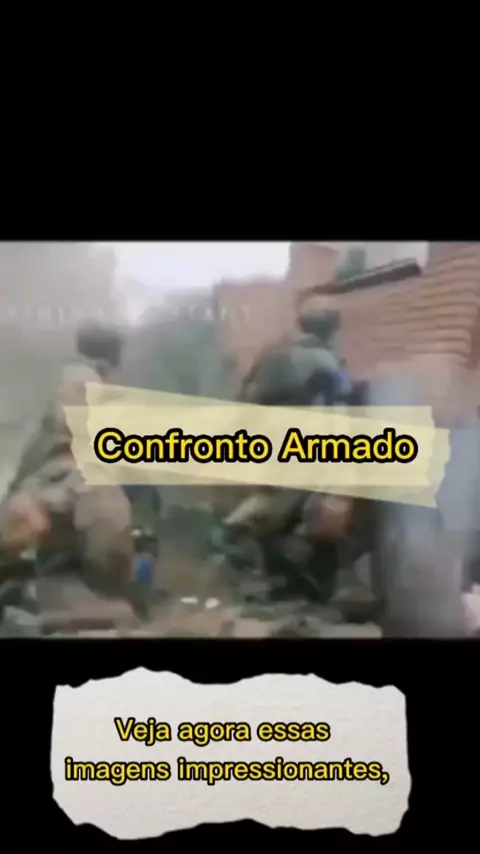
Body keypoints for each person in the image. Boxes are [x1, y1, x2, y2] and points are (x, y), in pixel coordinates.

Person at [0, 321, 136, 628]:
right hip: (67, 482)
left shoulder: (61, 379)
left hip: (37, 489)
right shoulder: (88, 385)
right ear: (112, 357)